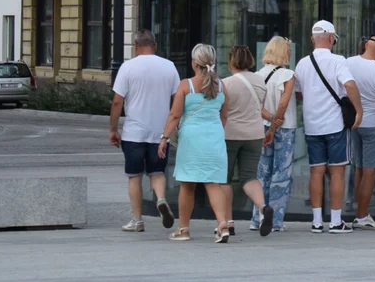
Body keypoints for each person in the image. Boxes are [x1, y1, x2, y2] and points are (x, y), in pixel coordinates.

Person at [157, 44, 233, 243]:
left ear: (194, 63)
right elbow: (224, 115)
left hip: (191, 138)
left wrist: (164, 138)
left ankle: (183, 229)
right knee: (213, 183)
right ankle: (223, 224)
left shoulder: (186, 85)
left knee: (187, 184)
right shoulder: (222, 85)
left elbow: (174, 115)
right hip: (215, 137)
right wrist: (215, 130)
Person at [295, 20, 363, 234]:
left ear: (313, 39)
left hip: (312, 125)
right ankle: (335, 221)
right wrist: (359, 110)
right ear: (332, 38)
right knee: (337, 173)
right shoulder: (338, 61)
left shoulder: (303, 63)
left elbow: (298, 92)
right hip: (335, 125)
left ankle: (316, 221)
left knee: (316, 172)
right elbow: (349, 85)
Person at [110, 29, 181, 233]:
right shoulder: (169, 66)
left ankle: (137, 219)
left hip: (134, 132)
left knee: (135, 176)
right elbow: (177, 99)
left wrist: (113, 129)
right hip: (160, 132)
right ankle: (160, 199)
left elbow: (117, 101)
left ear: (135, 46)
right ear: (155, 46)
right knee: (157, 171)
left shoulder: (127, 67)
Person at [221, 46, 273, 237]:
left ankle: (228, 222)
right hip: (255, 134)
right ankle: (262, 207)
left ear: (231, 61)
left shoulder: (226, 84)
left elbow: (223, 112)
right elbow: (260, 108)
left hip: (230, 135)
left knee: (224, 180)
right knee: (249, 177)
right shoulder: (260, 82)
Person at [346, 32, 375, 230]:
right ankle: (362, 215)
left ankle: (360, 211)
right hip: (374, 123)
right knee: (370, 170)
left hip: (355, 123)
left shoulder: (348, 63)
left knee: (358, 168)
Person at [252, 36, 297, 233]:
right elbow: (283, 103)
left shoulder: (257, 75)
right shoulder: (288, 74)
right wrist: (277, 121)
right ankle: (276, 219)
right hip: (285, 127)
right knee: (282, 173)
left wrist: (269, 120)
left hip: (261, 126)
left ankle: (257, 217)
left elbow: (257, 105)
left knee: (262, 172)